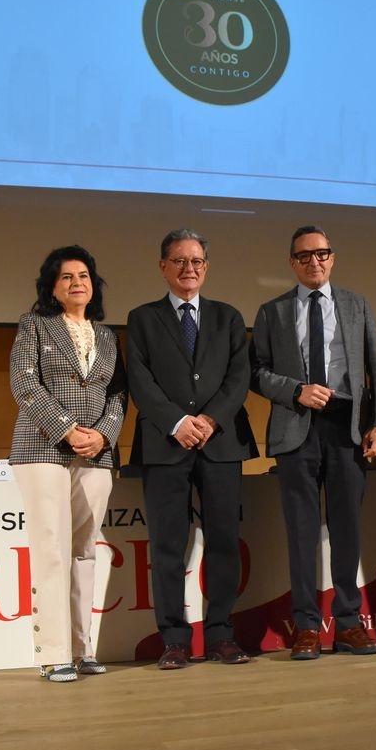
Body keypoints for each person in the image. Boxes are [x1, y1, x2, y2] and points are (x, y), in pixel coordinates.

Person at [250, 224, 376, 660]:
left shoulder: (357, 305)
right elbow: (256, 372)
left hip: (347, 429)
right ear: (292, 263)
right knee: (301, 533)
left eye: (322, 253)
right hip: (297, 430)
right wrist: (296, 390)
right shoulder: (272, 311)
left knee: (347, 529)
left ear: (332, 258)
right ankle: (307, 626)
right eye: (305, 255)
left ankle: (348, 624)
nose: (315, 261)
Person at [126, 228, 258, 670]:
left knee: (223, 542)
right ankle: (174, 640)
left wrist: (210, 419)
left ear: (207, 267)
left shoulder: (228, 317)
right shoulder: (142, 319)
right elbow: (140, 382)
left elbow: (238, 378)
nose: (190, 269)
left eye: (197, 261)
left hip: (220, 443)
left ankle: (221, 635)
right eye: (180, 261)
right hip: (166, 446)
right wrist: (178, 422)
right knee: (167, 545)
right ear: (163, 266)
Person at [8, 245, 127, 682]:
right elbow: (23, 382)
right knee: (52, 548)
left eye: (84, 276)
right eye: (67, 277)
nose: (77, 283)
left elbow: (117, 394)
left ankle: (83, 649)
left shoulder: (109, 335)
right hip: (42, 448)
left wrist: (103, 434)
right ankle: (54, 653)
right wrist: (67, 429)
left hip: (96, 453)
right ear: (53, 288)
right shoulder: (35, 326)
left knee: (84, 551)